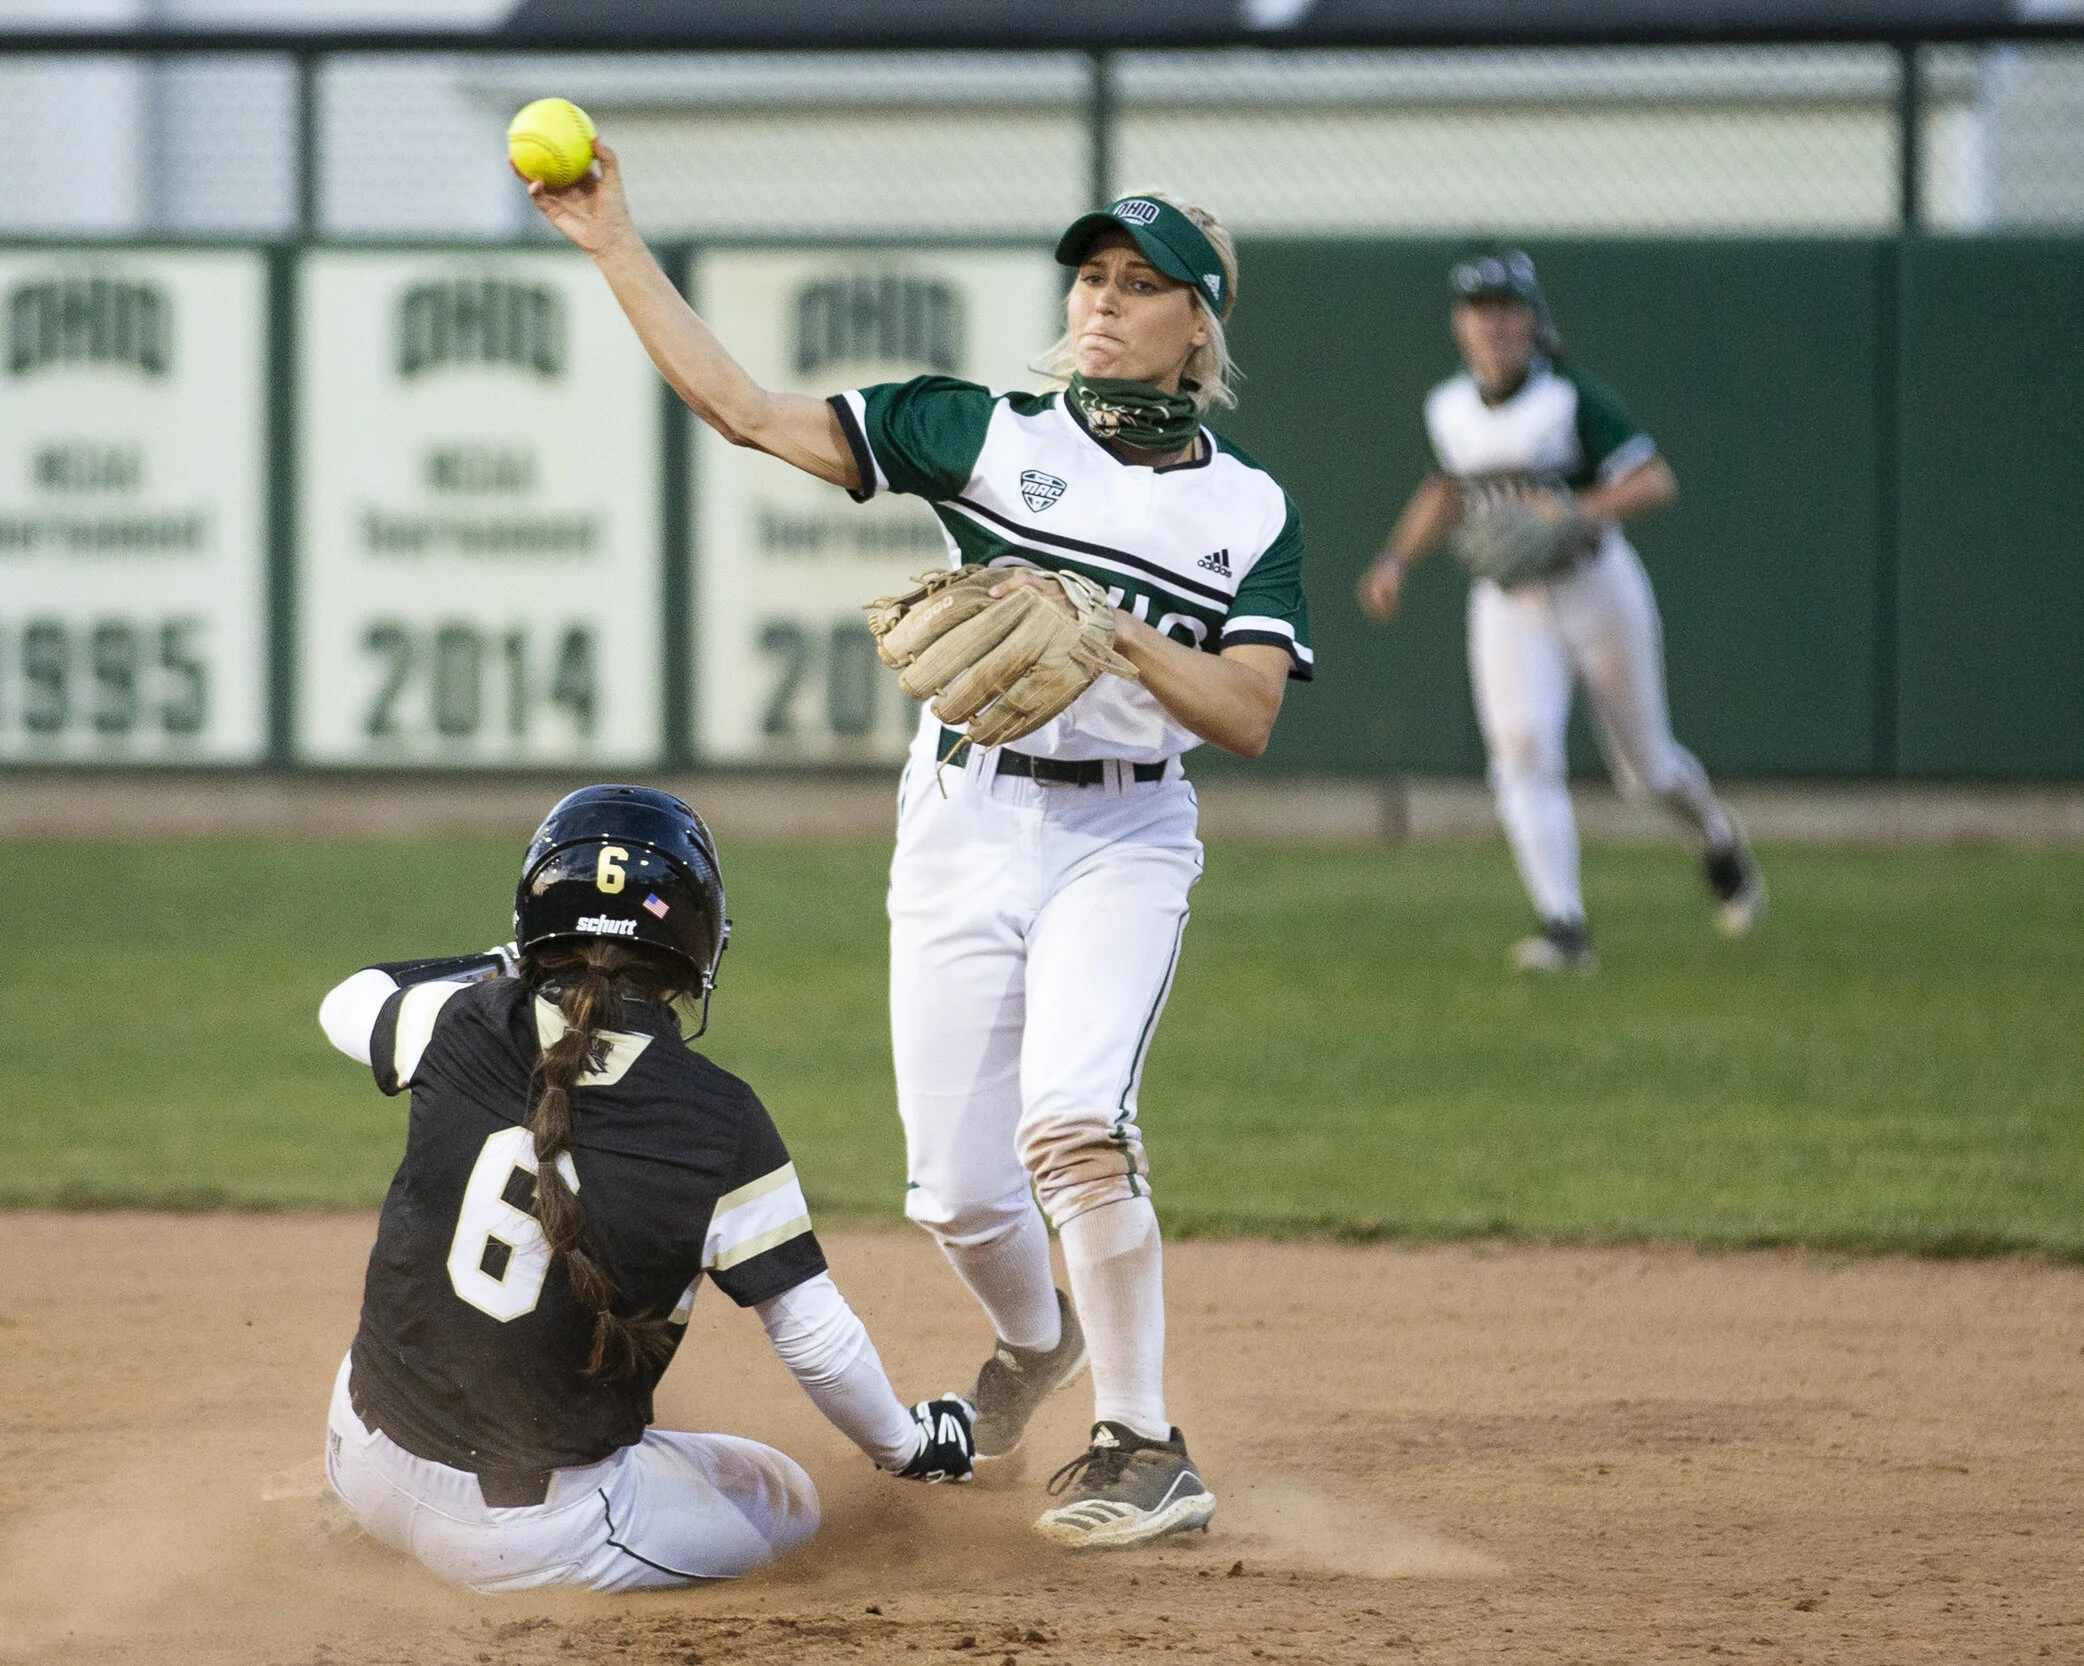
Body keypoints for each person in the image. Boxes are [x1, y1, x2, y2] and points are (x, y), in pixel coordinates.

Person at [530, 153, 1311, 1547]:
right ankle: (1041, 1340)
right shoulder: (984, 433)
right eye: (1093, 276)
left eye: (1144, 286)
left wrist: (1109, 624)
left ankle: (1143, 1439)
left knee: (1072, 1119)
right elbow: (745, 409)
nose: (1107, 303)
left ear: (1201, 325)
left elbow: (1246, 709)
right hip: (962, 818)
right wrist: (611, 239)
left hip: (1124, 830)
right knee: (954, 1192)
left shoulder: (1245, 509)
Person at [313, 784, 976, 1593]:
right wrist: (906, 1448)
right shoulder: (717, 1120)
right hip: (528, 1544)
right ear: (698, 944)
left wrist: (502, 965)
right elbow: (816, 1340)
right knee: (785, 1495)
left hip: (360, 1458)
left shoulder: (460, 1023)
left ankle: (379, 1516)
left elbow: (349, 1001)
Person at [1360, 250, 1765, 973]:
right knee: (1520, 752)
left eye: (1508, 309)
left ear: (1532, 318)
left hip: (1595, 585)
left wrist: (1574, 509)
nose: (1495, 325)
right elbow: (1447, 490)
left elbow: (1654, 481)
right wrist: (1397, 559)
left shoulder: (1571, 396)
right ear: (1460, 323)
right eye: (1480, 310)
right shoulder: (1448, 407)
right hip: (1509, 600)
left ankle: (1715, 837)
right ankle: (1564, 927)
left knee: (1647, 770)